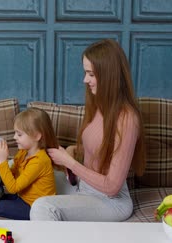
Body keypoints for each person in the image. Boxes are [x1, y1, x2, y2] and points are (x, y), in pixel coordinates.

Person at [29, 39, 146, 222]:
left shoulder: (127, 119)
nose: (85, 80)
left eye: (91, 74)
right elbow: (99, 148)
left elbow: (112, 186)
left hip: (110, 201)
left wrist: (71, 163)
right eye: (86, 73)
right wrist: (73, 152)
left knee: (42, 207)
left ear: (108, 76)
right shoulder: (100, 105)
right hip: (84, 187)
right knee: (37, 178)